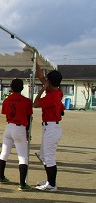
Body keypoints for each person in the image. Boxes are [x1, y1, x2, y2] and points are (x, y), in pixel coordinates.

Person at [33, 60, 64, 192]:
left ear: (49, 83)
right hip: (49, 127)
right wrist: (36, 63)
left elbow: (35, 104)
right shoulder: (57, 92)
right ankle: (50, 182)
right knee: (44, 156)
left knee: (49, 158)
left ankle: (52, 185)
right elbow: (41, 77)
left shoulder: (51, 97)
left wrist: (41, 90)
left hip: (52, 128)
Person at [0, 79, 33, 191]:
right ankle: (22, 184)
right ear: (22, 88)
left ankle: (1, 177)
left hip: (9, 126)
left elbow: (5, 113)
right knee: (23, 157)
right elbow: (28, 117)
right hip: (20, 127)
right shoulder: (27, 101)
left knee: (4, 153)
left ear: (11, 88)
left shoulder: (7, 100)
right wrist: (27, 131)